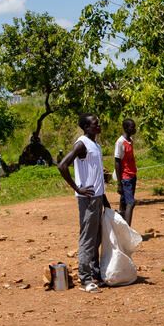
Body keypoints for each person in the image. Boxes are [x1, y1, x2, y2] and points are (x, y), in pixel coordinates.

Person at [58, 114, 107, 293]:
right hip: (87, 199)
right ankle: (85, 278)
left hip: (98, 197)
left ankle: (94, 273)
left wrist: (105, 198)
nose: (98, 125)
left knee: (97, 237)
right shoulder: (82, 144)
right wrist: (78, 189)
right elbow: (62, 165)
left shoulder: (96, 145)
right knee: (87, 238)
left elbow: (97, 174)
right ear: (86, 127)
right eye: (95, 124)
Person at [113, 118, 138, 227]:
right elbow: (117, 162)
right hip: (125, 177)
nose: (134, 129)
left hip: (132, 176)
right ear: (126, 128)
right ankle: (127, 231)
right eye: (132, 127)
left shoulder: (130, 140)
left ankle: (121, 228)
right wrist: (119, 183)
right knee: (130, 203)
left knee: (123, 203)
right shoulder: (120, 142)